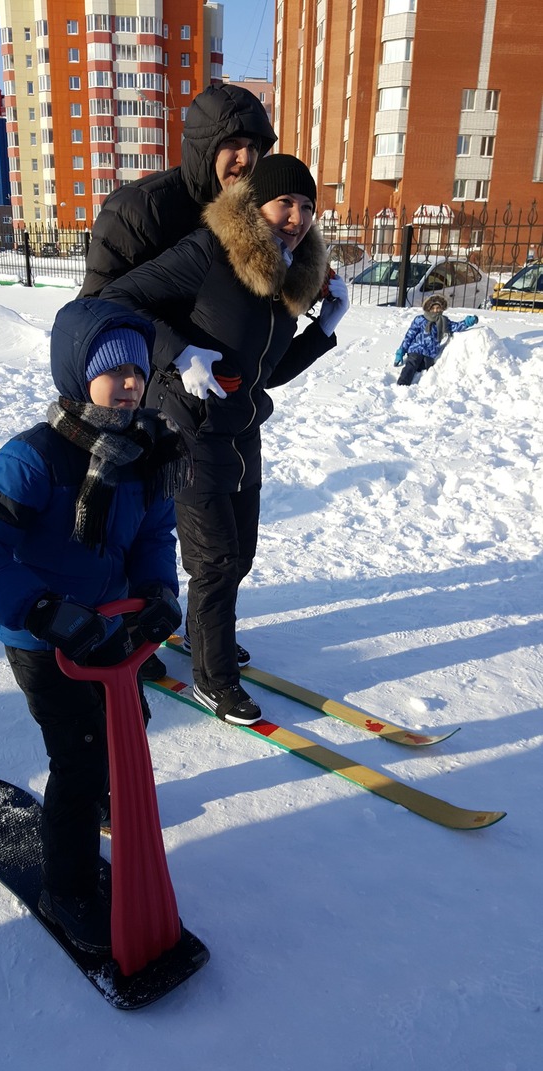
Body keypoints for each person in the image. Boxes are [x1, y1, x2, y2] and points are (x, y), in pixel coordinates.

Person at [0, 298, 189, 955]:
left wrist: (159, 591)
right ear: (79, 376)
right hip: (43, 639)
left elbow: (153, 533)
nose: (131, 383)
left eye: (139, 371)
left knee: (128, 725)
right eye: (114, 372)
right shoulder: (36, 457)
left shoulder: (146, 449)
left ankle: (100, 804)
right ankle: (69, 886)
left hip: (112, 630)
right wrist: (45, 610)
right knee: (79, 758)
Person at [99, 154, 350, 725]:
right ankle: (215, 680)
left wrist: (324, 326)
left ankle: (205, 638)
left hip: (241, 428)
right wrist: (179, 353)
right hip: (186, 429)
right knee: (213, 560)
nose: (296, 216)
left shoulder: (287, 272)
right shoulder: (209, 252)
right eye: (285, 201)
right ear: (255, 204)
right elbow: (115, 301)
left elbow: (271, 370)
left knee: (238, 557)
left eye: (307, 206)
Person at [79, 82, 277, 299]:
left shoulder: (253, 213)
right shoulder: (138, 208)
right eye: (232, 142)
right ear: (204, 146)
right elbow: (97, 309)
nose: (246, 158)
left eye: (253, 147)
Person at [394, 293, 479, 386]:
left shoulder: (443, 321)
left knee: (428, 369)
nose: (435, 311)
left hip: (430, 352)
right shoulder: (420, 319)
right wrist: (401, 351)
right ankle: (402, 384)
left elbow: (455, 327)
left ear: (442, 309)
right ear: (428, 308)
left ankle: (423, 386)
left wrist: (467, 322)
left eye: (438, 308)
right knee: (412, 364)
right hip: (416, 349)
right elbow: (409, 335)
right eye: (433, 308)